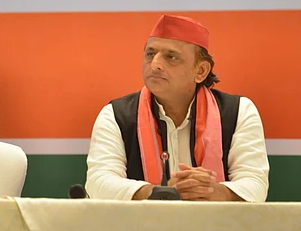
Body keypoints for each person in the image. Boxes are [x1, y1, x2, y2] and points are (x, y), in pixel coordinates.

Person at [85, 15, 269, 202]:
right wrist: (156, 193)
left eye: (171, 57)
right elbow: (98, 182)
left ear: (200, 71)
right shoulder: (116, 115)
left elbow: (255, 184)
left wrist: (210, 191)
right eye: (150, 54)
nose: (155, 65)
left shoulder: (239, 111)